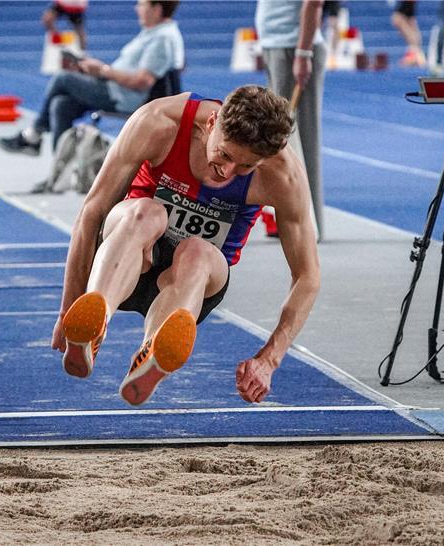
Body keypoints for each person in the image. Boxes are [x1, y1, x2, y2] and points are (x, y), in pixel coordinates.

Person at [49, 85, 321, 406]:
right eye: (225, 155)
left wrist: (269, 359)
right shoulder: (158, 122)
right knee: (145, 212)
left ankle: (154, 352)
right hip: (129, 257)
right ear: (211, 123)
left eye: (246, 167)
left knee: (198, 251)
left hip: (192, 285)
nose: (227, 172)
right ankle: (94, 319)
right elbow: (92, 212)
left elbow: (307, 276)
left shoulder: (283, 175)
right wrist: (69, 306)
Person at [0, 0, 183, 157]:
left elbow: (142, 82)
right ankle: (61, 173)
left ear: (157, 9)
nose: (136, 8)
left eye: (141, 4)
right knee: (61, 105)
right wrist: (95, 69)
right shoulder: (152, 33)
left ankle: (33, 135)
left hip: (125, 97)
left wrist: (102, 70)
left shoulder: (162, 38)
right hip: (114, 87)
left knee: (63, 78)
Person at [255, 0, 325, 240]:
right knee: (281, 137)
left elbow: (314, 3)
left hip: (293, 47)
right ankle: (284, 213)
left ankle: (307, 223)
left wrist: (303, 53)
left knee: (299, 138)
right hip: (277, 44)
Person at [391, 0, 426, 67]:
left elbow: (411, 10)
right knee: (413, 39)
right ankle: (416, 59)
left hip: (407, 14)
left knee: (417, 38)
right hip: (400, 16)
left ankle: (413, 58)